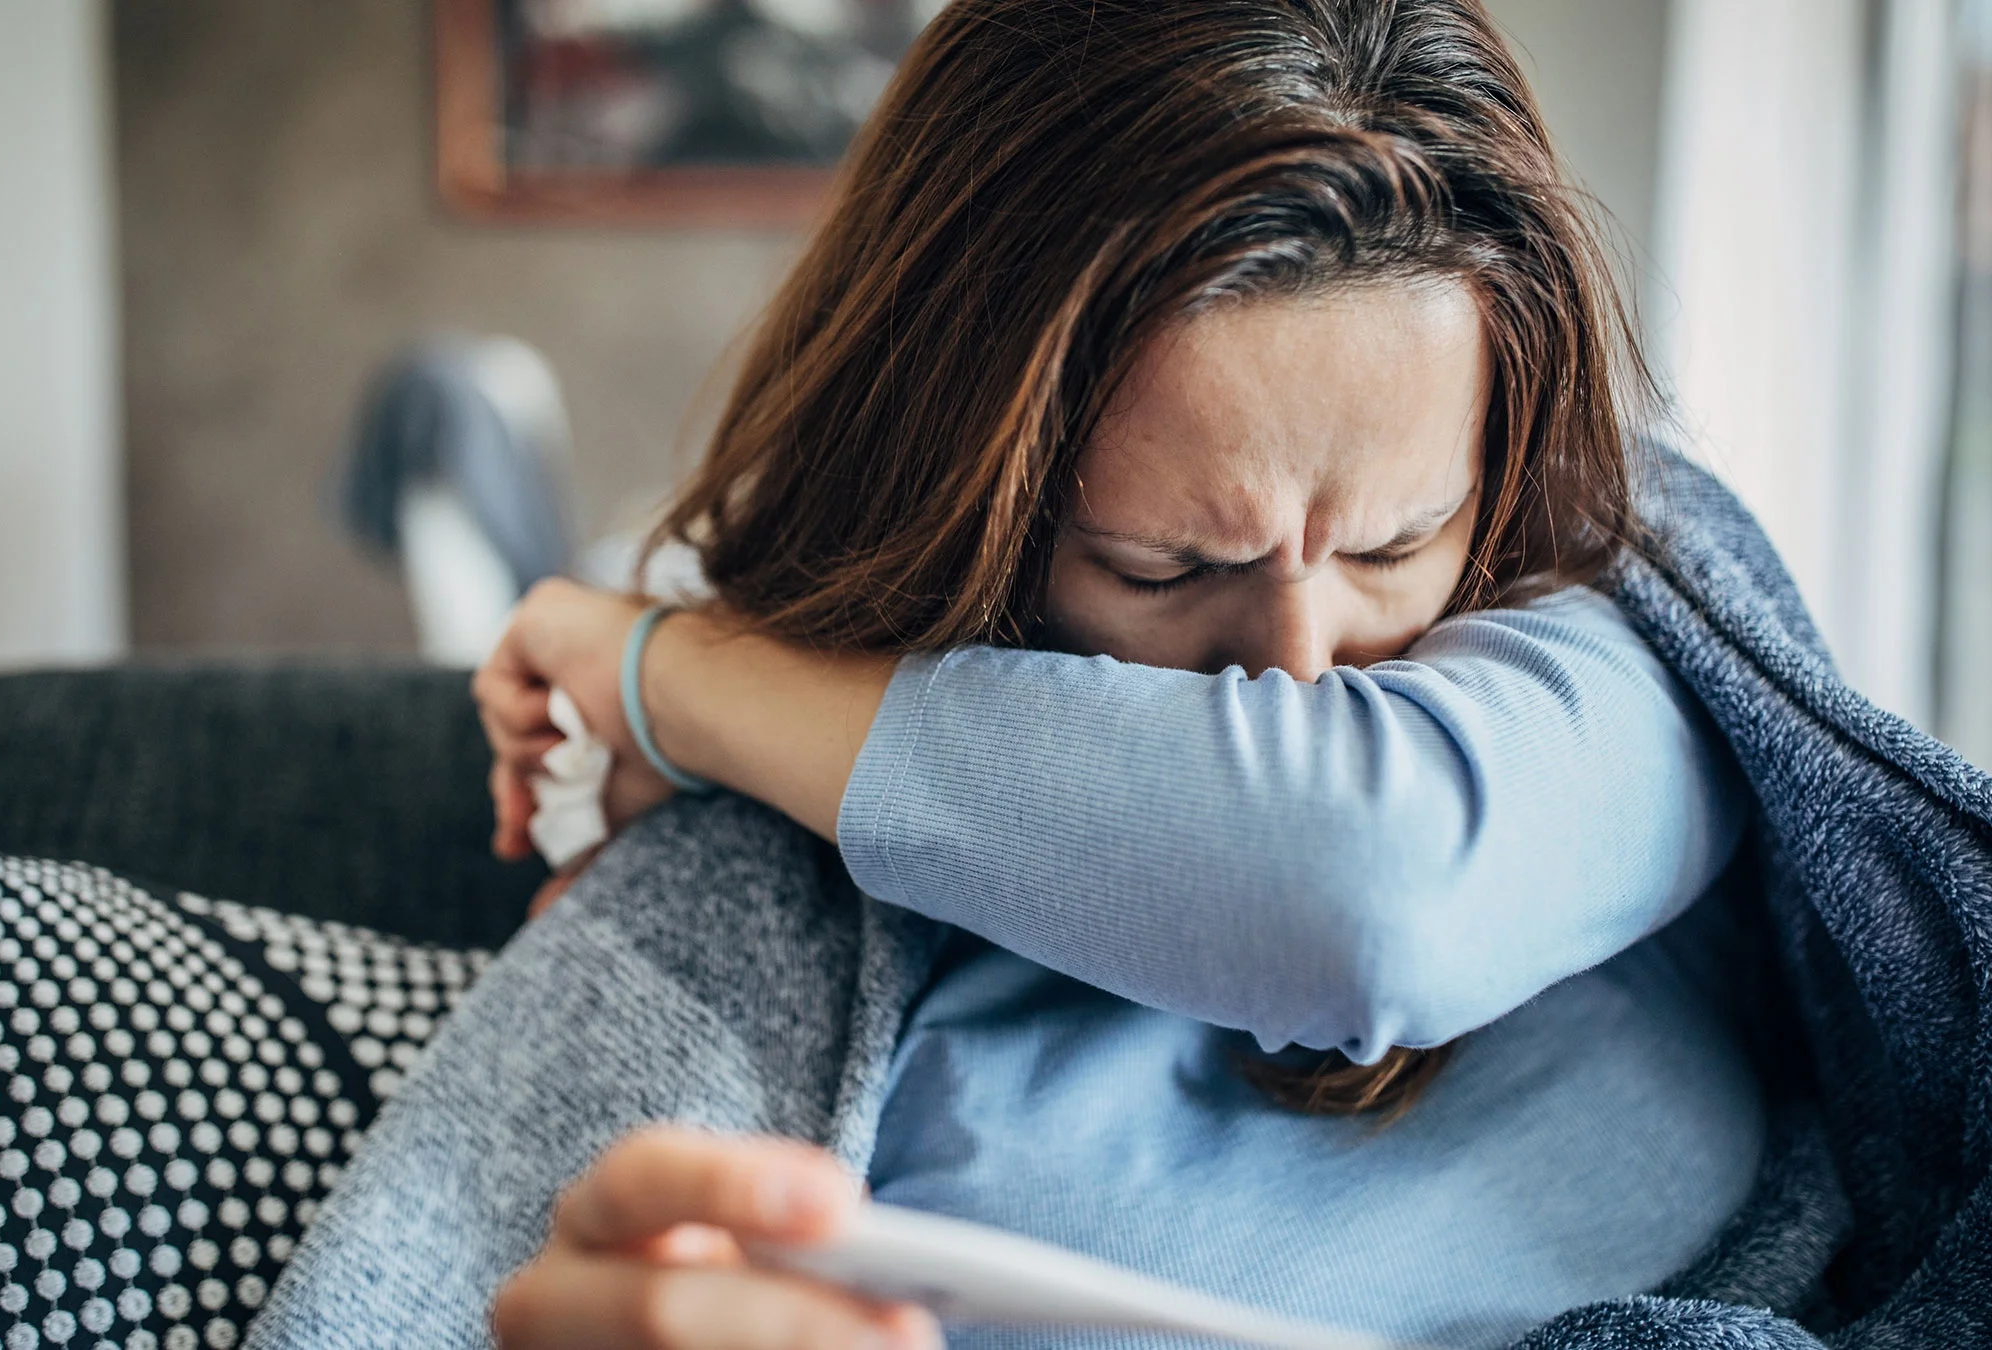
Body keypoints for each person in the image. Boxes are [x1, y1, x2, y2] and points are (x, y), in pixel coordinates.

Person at [470, 2, 1764, 1347]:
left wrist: (671, 677)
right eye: (1162, 568)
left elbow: (1367, 887)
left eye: (1393, 544)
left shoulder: (1630, 643)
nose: (1298, 669)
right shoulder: (768, 874)